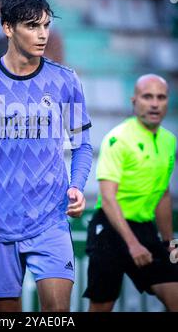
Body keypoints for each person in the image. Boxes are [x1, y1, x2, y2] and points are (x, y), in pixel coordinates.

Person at [0, 0, 93, 312]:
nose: (42, 34)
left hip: (50, 221)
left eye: (45, 25)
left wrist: (77, 186)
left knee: (57, 315)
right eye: (31, 26)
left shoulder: (65, 82)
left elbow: (82, 144)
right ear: (7, 28)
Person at [83, 74, 178, 312]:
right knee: (102, 306)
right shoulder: (118, 138)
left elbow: (163, 194)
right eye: (148, 97)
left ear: (168, 101)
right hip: (110, 229)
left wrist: (170, 243)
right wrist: (133, 245)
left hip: (144, 229)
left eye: (161, 97)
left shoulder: (169, 141)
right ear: (134, 100)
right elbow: (107, 198)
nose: (155, 103)